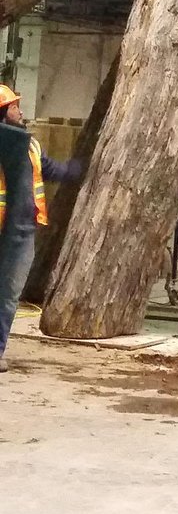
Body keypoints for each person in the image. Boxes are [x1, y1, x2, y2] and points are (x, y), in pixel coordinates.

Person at [0, 85, 81, 372]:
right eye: (14, 108)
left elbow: (51, 170)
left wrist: (79, 168)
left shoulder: (30, 145)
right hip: (4, 228)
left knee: (8, 295)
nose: (21, 112)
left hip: (22, 231)